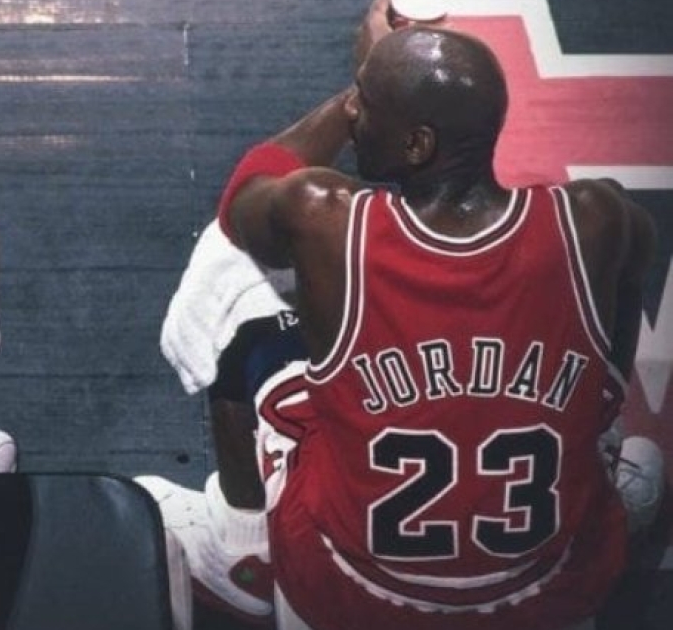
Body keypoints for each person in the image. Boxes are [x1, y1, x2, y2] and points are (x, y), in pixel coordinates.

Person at [216, 5, 656, 630]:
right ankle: (604, 450)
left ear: (417, 145)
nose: (354, 113)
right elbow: (632, 281)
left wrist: (358, 78)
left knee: (240, 324)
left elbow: (243, 197)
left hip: (354, 592)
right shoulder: (594, 218)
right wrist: (599, 397)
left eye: (364, 104)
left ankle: (237, 548)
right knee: (613, 428)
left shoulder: (326, 219)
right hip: (543, 587)